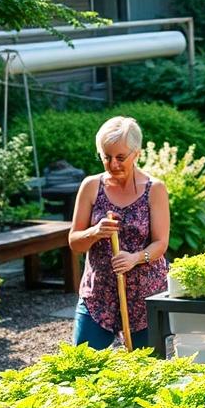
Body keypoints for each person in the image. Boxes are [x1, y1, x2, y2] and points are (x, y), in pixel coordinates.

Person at [69, 116, 170, 349]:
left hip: (144, 295)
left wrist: (135, 258)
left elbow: (160, 243)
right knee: (83, 366)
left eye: (121, 157)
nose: (113, 164)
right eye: (106, 157)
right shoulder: (91, 186)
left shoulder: (154, 189)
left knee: (147, 372)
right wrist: (95, 232)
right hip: (98, 295)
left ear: (137, 153)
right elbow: (75, 242)